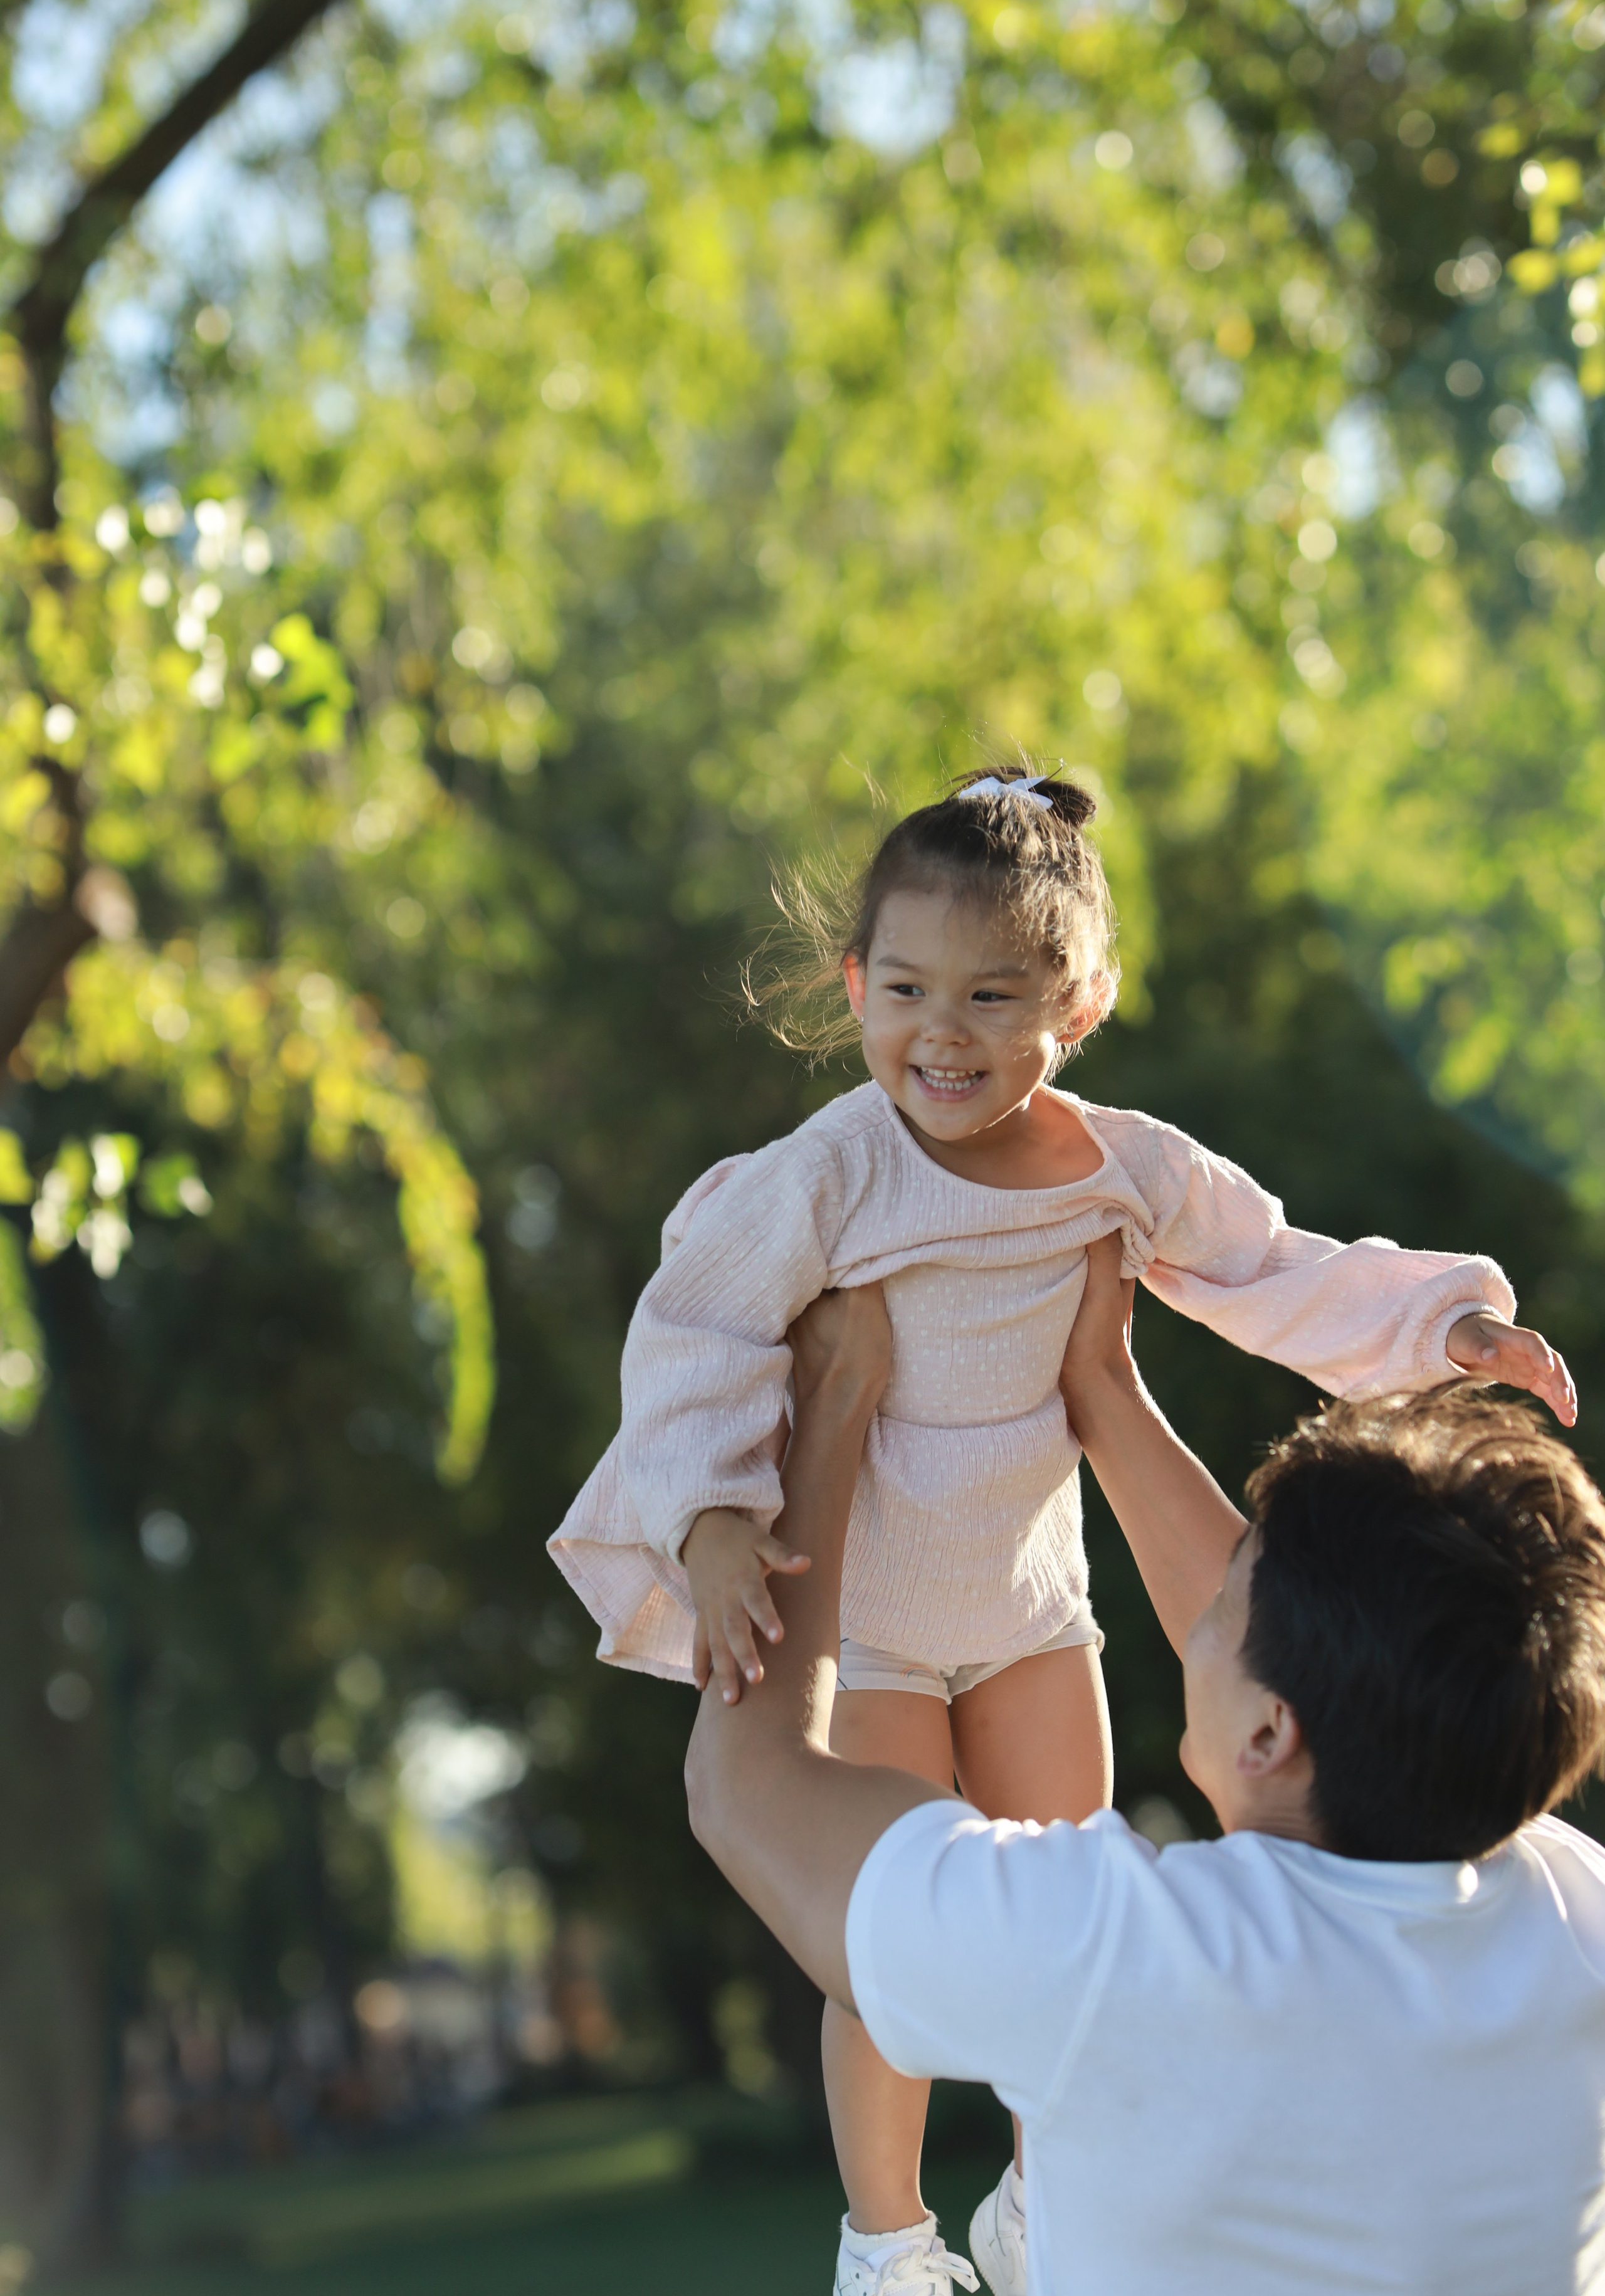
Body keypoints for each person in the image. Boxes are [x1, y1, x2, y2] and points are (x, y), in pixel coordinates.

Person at [549, 766, 1576, 2293]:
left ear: (1076, 1009)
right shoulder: (827, 1174)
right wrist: (702, 1519)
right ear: (852, 986)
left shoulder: (1122, 1172)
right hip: (876, 1612)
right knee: (871, 1940)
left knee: (1067, 1855)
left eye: (989, 996)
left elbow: (1275, 1273)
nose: (938, 1034)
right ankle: (887, 2240)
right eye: (901, 989)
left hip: (1030, 1601)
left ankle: (1038, 2212)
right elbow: (692, 1331)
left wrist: (1445, 1326)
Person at [687, 1240, 1605, 2296]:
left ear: (1270, 1735)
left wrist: (834, 1402)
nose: (1196, 1618)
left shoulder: (1128, 1957)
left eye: (1223, 1605)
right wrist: (1103, 1390)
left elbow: (744, 1790)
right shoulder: (1570, 1915)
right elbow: (1340, 1663)